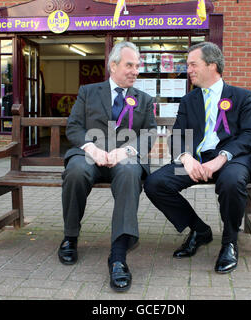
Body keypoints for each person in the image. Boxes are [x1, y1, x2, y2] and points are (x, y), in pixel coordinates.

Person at [144, 42, 251, 274]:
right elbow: (176, 136)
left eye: (193, 64)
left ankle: (229, 243)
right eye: (188, 65)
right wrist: (186, 158)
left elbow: (250, 134)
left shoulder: (242, 96)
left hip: (231, 159)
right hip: (196, 160)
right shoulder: (189, 100)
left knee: (232, 181)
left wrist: (221, 158)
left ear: (212, 66)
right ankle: (199, 230)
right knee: (155, 183)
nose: (189, 70)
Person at [59, 41, 157, 292]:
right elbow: (74, 127)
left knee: (128, 172)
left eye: (137, 66)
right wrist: (91, 148)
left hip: (123, 159)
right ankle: (70, 237)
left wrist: (126, 151)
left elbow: (150, 133)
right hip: (90, 155)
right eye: (129, 65)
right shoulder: (88, 92)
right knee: (76, 171)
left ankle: (118, 255)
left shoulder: (143, 99)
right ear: (113, 66)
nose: (135, 71)